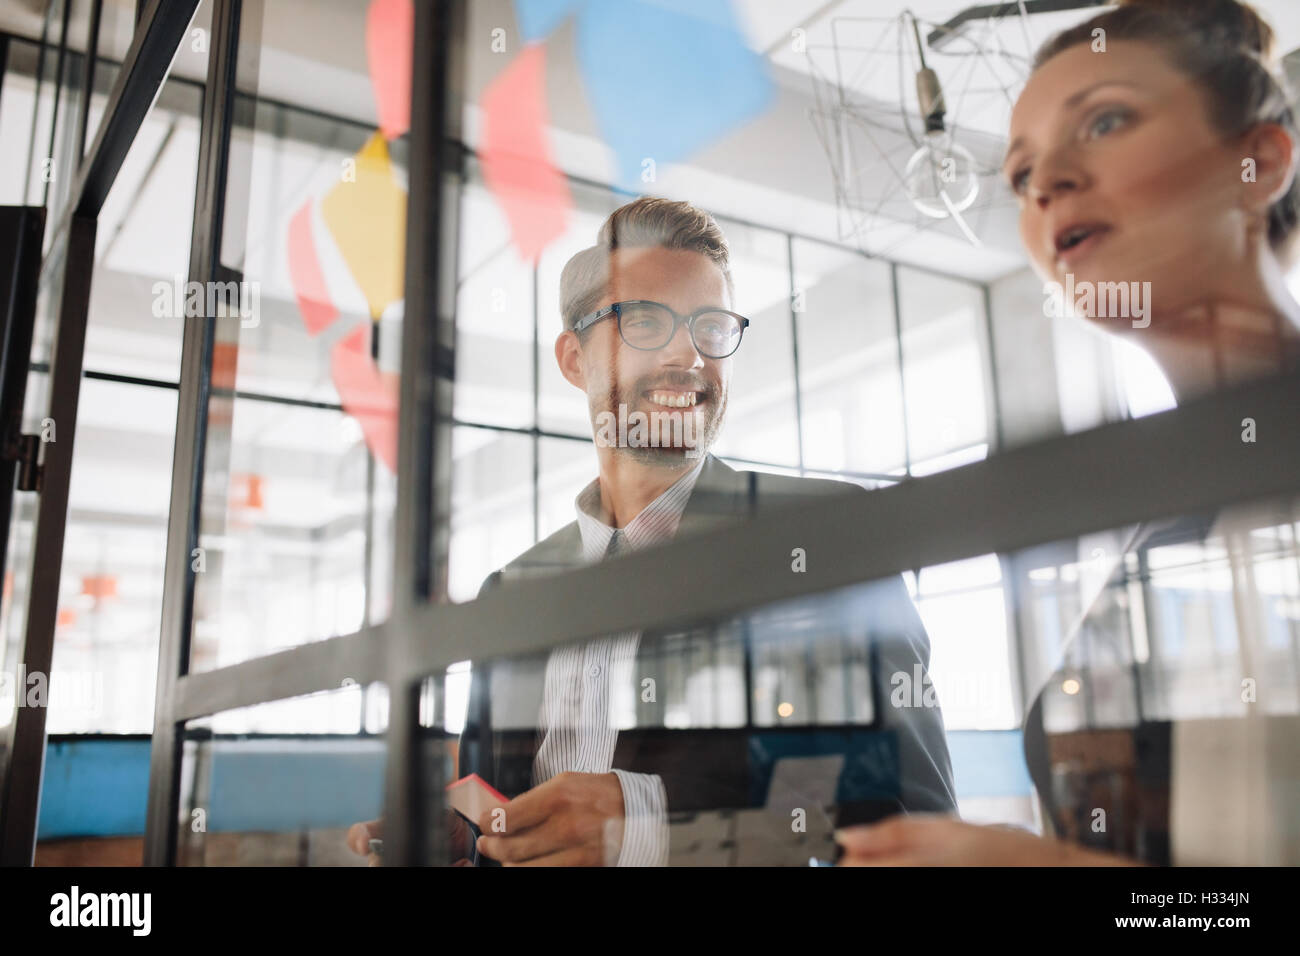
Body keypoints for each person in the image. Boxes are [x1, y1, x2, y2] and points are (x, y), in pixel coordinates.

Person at [837, 0, 1300, 866]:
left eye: (1107, 121)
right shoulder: (1168, 522)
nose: (1047, 183)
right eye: (1020, 174)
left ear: (1258, 160)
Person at [456, 196, 958, 866]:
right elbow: (497, 814)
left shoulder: (827, 537)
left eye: (710, 326)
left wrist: (655, 829)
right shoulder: (510, 590)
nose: (688, 355)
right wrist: (457, 838)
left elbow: (914, 832)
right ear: (574, 359)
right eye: (645, 321)